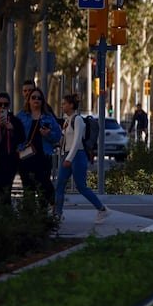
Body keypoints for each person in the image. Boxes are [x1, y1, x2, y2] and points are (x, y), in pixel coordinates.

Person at [55, 92, 108, 223]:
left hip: (77, 155)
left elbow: (77, 140)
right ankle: (57, 214)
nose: (62, 106)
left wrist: (69, 158)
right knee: (59, 185)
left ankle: (102, 209)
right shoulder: (66, 121)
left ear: (71, 105)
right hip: (66, 155)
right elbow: (64, 140)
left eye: (64, 104)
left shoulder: (78, 120)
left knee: (81, 187)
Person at [16, 87, 62, 208]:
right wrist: (19, 147)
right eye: (33, 98)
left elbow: (57, 136)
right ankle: (29, 217)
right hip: (25, 157)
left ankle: (45, 215)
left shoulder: (48, 117)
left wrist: (48, 134)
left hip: (43, 157)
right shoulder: (21, 116)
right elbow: (14, 134)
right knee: (28, 188)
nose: (36, 100)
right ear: (29, 100)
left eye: (39, 98)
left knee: (44, 187)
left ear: (43, 101)